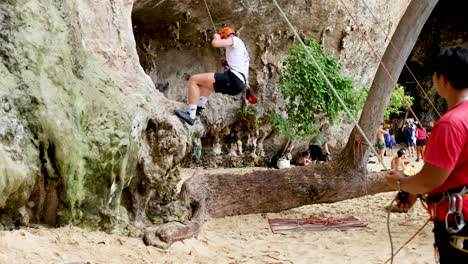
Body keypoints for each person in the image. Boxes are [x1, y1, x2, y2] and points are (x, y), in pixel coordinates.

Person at [385, 46, 468, 262]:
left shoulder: (451, 124)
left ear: (442, 79)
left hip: (459, 221)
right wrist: (415, 189)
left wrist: (401, 182)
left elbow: (430, 180)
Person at [175, 27, 250, 125]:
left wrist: (216, 37)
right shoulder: (242, 49)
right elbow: (239, 65)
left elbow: (215, 43)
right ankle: (198, 109)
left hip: (233, 79)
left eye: (223, 38)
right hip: (238, 84)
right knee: (207, 84)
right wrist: (227, 63)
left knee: (194, 80)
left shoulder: (234, 40)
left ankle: (191, 115)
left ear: (225, 36)